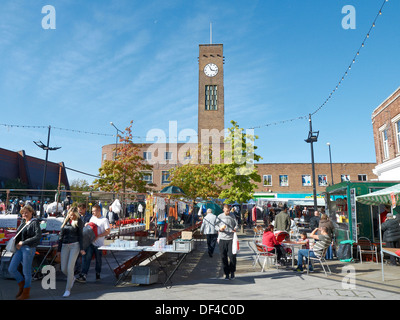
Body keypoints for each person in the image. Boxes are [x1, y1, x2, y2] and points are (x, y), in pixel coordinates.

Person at [8, 205, 41, 300]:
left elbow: (38, 236)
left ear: (32, 212)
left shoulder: (34, 222)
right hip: (19, 248)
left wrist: (24, 242)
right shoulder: (23, 222)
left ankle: (26, 292)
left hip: (28, 248)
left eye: (26, 212)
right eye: (23, 213)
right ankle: (22, 286)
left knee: (26, 271)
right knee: (12, 269)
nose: (24, 214)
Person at [76, 204, 110, 283]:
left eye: (94, 211)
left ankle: (98, 273)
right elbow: (91, 227)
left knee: (98, 260)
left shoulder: (104, 220)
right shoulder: (92, 218)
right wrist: (87, 225)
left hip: (99, 244)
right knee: (86, 258)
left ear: (99, 211)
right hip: (90, 242)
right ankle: (83, 275)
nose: (92, 213)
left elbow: (108, 231)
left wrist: (99, 236)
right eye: (92, 211)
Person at [57, 206, 86, 297]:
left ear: (76, 215)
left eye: (73, 215)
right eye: (70, 215)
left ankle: (67, 289)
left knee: (70, 267)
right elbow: (61, 237)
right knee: (63, 269)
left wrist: (81, 248)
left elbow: (81, 236)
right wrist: (59, 249)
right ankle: (72, 278)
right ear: (68, 214)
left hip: (75, 245)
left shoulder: (79, 221)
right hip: (65, 246)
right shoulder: (65, 221)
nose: (72, 217)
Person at [215, 204, 238, 280]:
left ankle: (232, 272)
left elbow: (236, 225)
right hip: (222, 238)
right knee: (223, 256)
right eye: (226, 210)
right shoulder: (220, 216)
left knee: (232, 256)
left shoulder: (232, 216)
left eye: (229, 211)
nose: (228, 212)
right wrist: (219, 229)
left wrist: (235, 228)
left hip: (231, 238)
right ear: (223, 210)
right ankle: (226, 273)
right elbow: (215, 225)